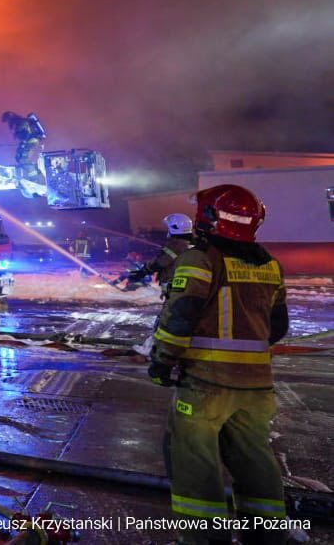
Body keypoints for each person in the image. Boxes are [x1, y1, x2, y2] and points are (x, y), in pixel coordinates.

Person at [149, 185, 289, 541]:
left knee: (194, 462)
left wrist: (162, 362)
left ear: (208, 217)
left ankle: (203, 537)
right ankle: (268, 535)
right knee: (255, 461)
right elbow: (277, 327)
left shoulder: (200, 259)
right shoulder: (270, 265)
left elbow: (180, 317)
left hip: (206, 385)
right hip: (257, 388)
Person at [131, 214, 195, 355]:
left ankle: (152, 348)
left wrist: (143, 271)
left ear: (174, 228)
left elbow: (160, 262)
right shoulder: (192, 245)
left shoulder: (176, 245)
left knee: (165, 321)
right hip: (184, 289)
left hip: (174, 289)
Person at [1, 111, 46, 181]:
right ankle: (33, 175)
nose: (8, 122)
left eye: (7, 120)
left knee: (23, 158)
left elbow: (25, 134)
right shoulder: (19, 122)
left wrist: (23, 143)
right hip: (30, 141)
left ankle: (35, 178)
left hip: (30, 141)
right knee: (19, 157)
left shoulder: (20, 123)